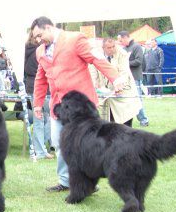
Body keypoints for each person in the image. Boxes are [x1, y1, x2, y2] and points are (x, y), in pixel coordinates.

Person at [31, 17, 124, 192]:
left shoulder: (75, 39)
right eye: (35, 38)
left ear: (49, 27)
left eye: (39, 35)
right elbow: (41, 78)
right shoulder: (40, 51)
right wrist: (37, 103)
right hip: (58, 106)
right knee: (59, 143)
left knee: (87, 145)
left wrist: (115, 77)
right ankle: (66, 181)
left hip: (82, 108)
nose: (38, 40)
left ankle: (89, 182)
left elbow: (96, 59)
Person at [92, 38, 141, 126]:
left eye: (113, 46)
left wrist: (119, 84)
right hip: (106, 95)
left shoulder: (122, 54)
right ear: (103, 48)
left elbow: (124, 72)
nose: (112, 49)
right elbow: (93, 72)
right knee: (109, 125)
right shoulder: (96, 55)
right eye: (109, 47)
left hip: (123, 93)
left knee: (126, 124)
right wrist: (95, 83)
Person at [24, 31, 53, 159]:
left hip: (31, 86)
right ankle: (41, 148)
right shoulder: (41, 51)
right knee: (52, 117)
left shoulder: (25, 50)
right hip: (42, 87)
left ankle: (40, 150)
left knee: (39, 120)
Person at [119, 31, 149, 126]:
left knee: (137, 100)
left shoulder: (137, 47)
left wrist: (125, 64)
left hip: (135, 77)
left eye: (120, 40)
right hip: (125, 78)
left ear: (125, 38)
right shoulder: (123, 49)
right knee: (127, 100)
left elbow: (139, 61)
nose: (120, 42)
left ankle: (144, 120)